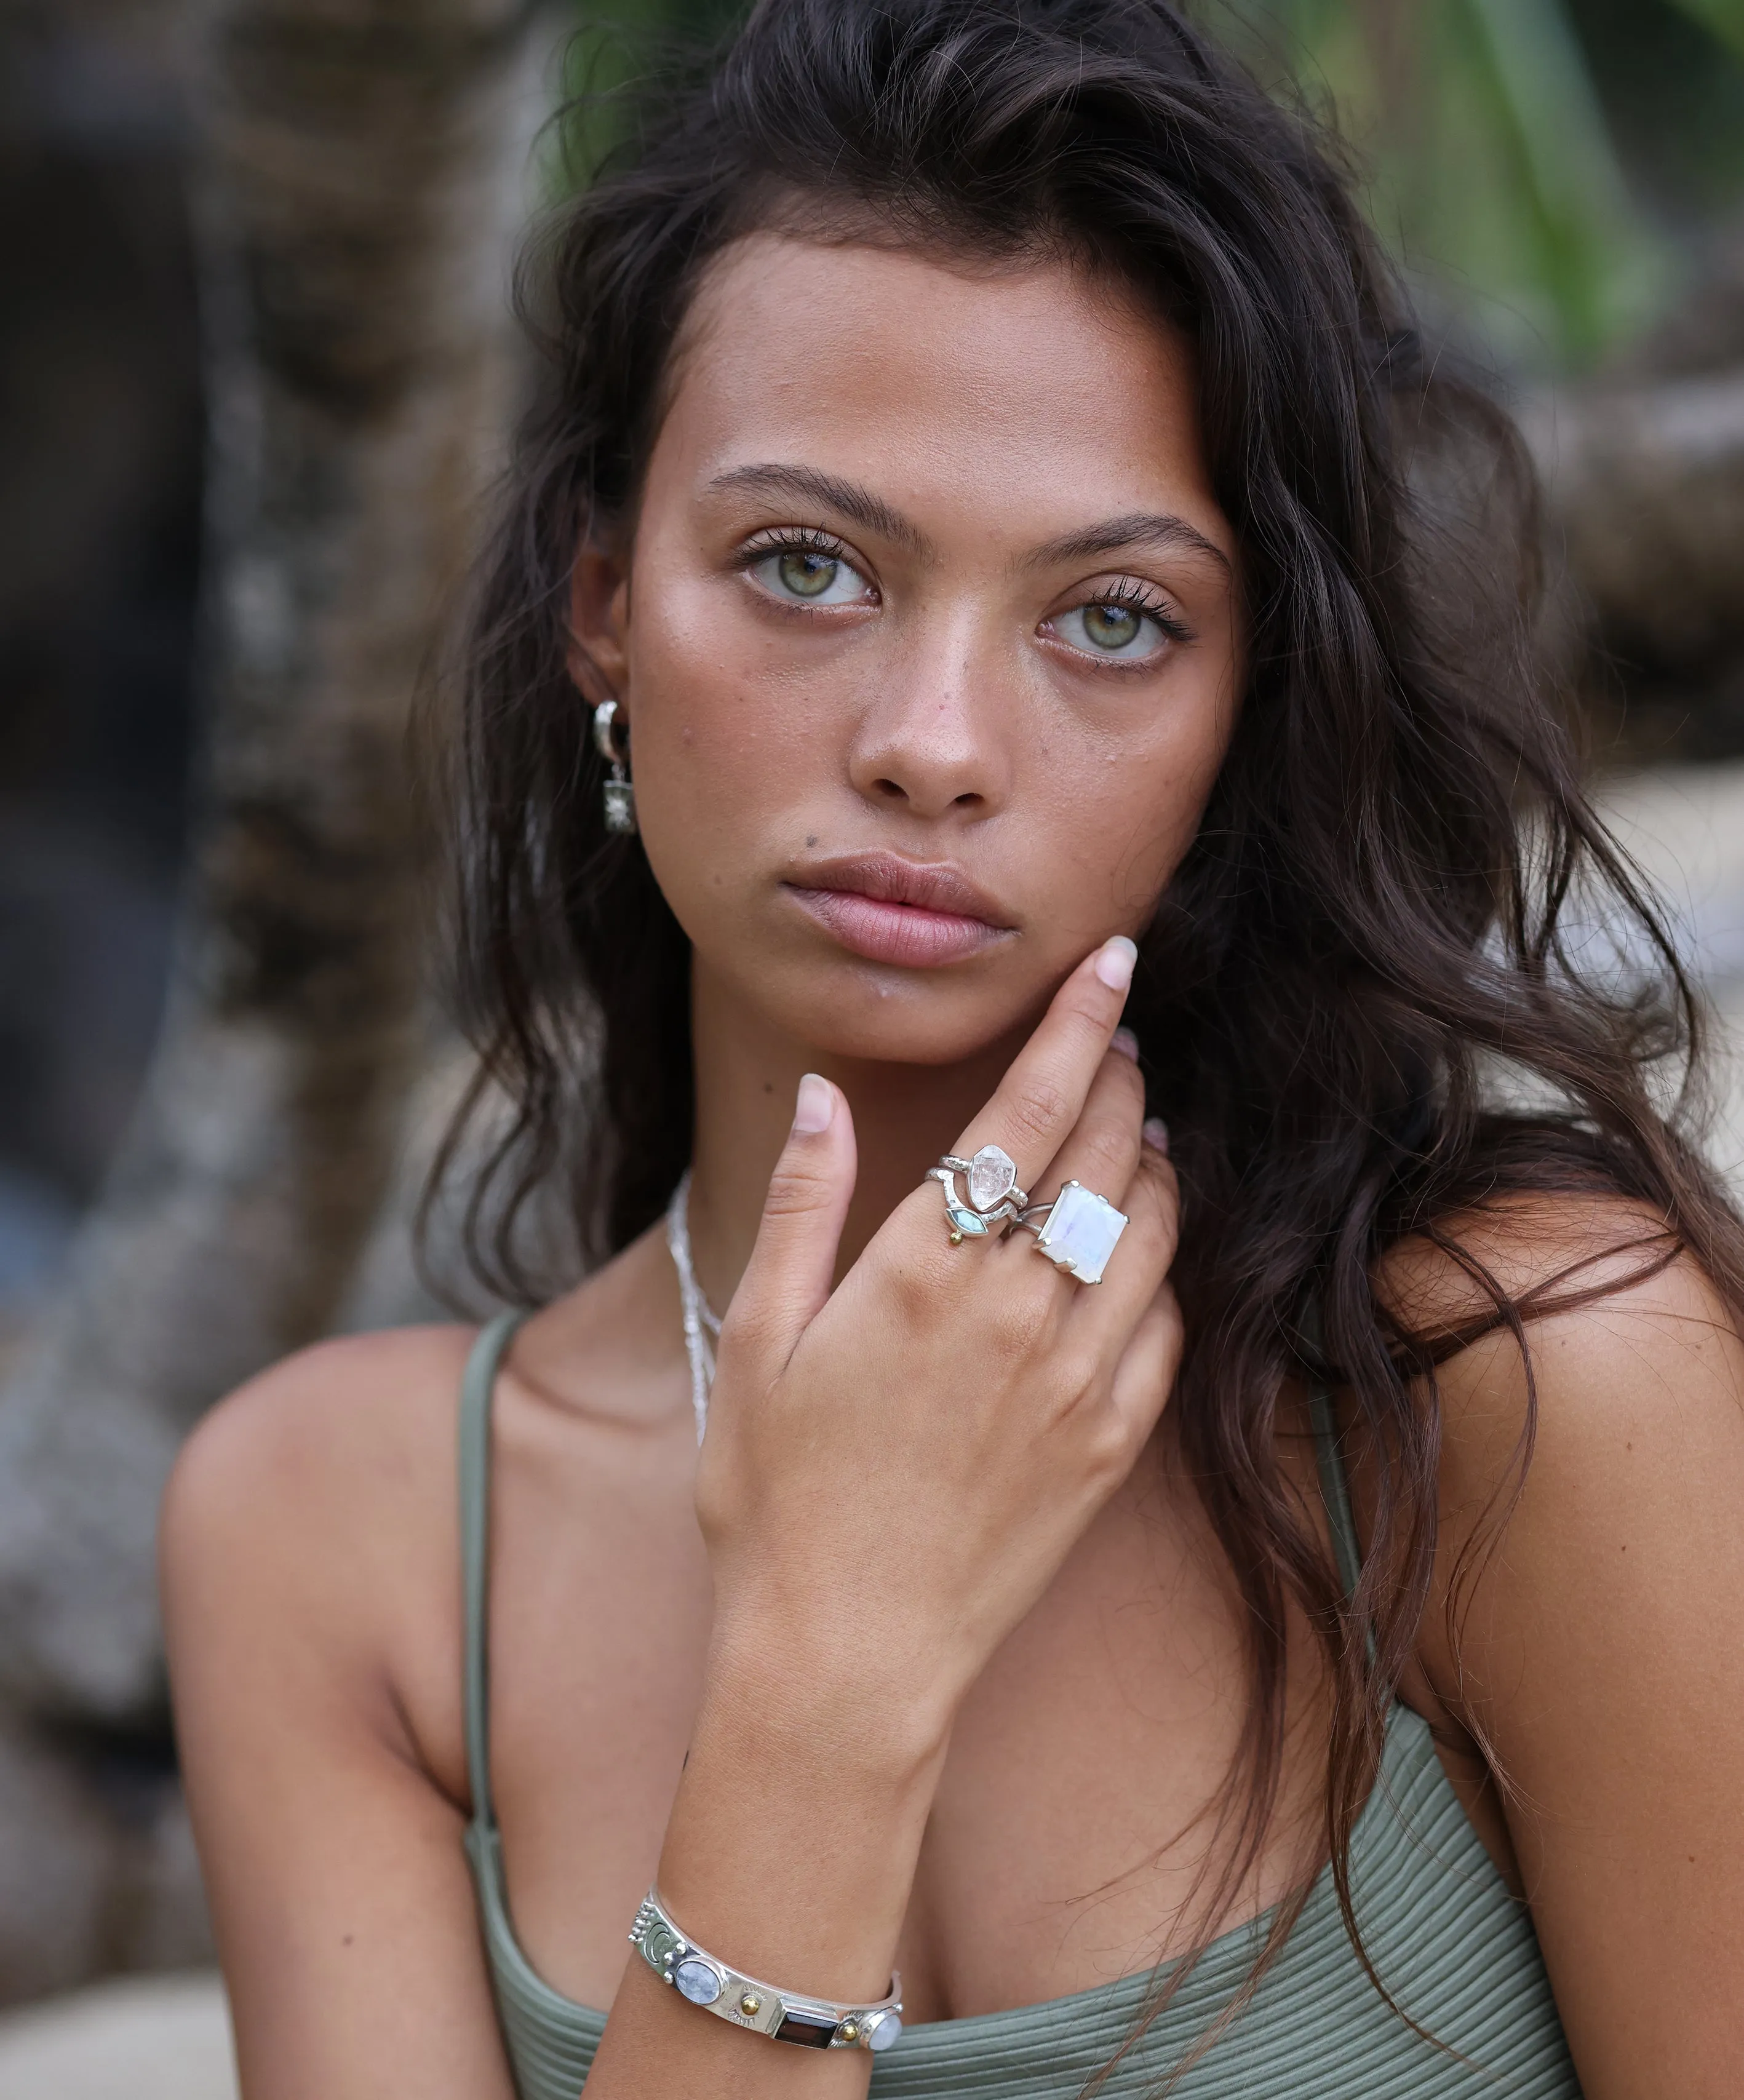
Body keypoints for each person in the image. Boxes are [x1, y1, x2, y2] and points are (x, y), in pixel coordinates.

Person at [159, 1, 1744, 2093]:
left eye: (1113, 617)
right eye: (807, 565)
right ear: (605, 601)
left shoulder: (1527, 1394)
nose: (930, 747)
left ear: (1250, 706)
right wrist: (835, 1661)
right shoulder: (336, 1541)